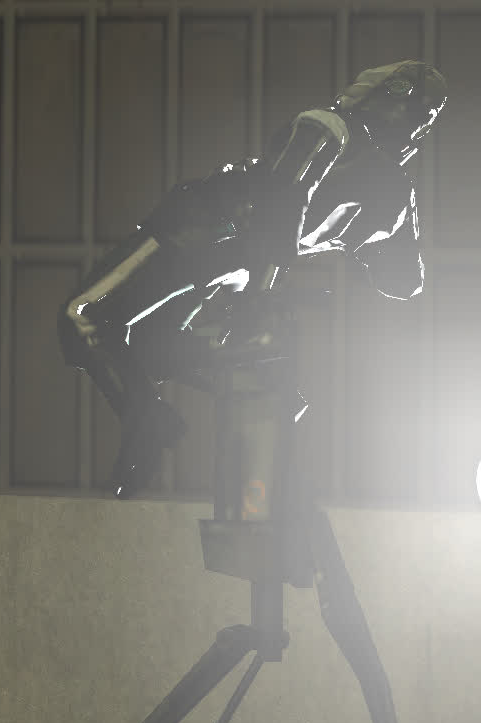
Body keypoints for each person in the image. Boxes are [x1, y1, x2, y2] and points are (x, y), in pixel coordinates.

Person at [59, 60, 447, 498]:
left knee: (81, 315)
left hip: (202, 229)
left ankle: (153, 416)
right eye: (416, 109)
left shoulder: (331, 128)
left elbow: (284, 202)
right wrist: (357, 234)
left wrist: (262, 294)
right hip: (236, 264)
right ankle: (250, 382)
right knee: (147, 352)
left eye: (420, 112)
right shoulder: (395, 191)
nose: (414, 120)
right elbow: (402, 280)